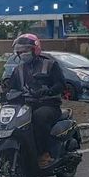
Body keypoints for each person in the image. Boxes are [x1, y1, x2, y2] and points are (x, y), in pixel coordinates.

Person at [7, 34, 66, 168]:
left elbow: (60, 84)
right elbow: (12, 88)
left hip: (49, 105)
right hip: (27, 105)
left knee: (39, 117)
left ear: (35, 49)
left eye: (25, 50)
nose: (22, 54)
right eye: (19, 51)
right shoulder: (18, 69)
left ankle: (45, 154)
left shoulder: (50, 64)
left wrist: (48, 91)